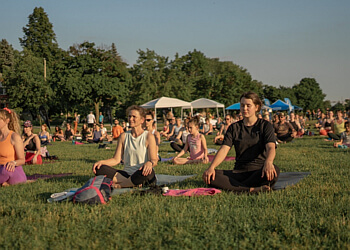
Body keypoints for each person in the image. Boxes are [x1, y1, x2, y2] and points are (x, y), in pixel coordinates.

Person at [202, 91, 280, 193]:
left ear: (256, 107)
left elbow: (271, 147)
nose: (245, 108)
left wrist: (269, 162)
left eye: (248, 105)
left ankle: (236, 187)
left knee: (275, 171)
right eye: (242, 105)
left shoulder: (265, 126)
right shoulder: (234, 127)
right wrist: (211, 167)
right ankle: (250, 189)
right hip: (239, 172)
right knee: (210, 175)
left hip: (258, 171)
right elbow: (224, 149)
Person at [92, 105, 158, 188]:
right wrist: (101, 162)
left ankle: (120, 185)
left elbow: (154, 160)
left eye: (134, 117)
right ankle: (132, 183)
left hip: (141, 172)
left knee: (149, 173)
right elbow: (116, 159)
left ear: (142, 120)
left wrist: (149, 163)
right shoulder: (123, 136)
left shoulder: (148, 136)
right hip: (126, 174)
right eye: (129, 116)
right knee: (99, 168)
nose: (130, 119)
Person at [0, 108, 26, 186]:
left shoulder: (14, 137)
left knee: (6, 170)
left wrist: (13, 162)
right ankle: (3, 183)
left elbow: (22, 160)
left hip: (12, 170)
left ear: (7, 120)